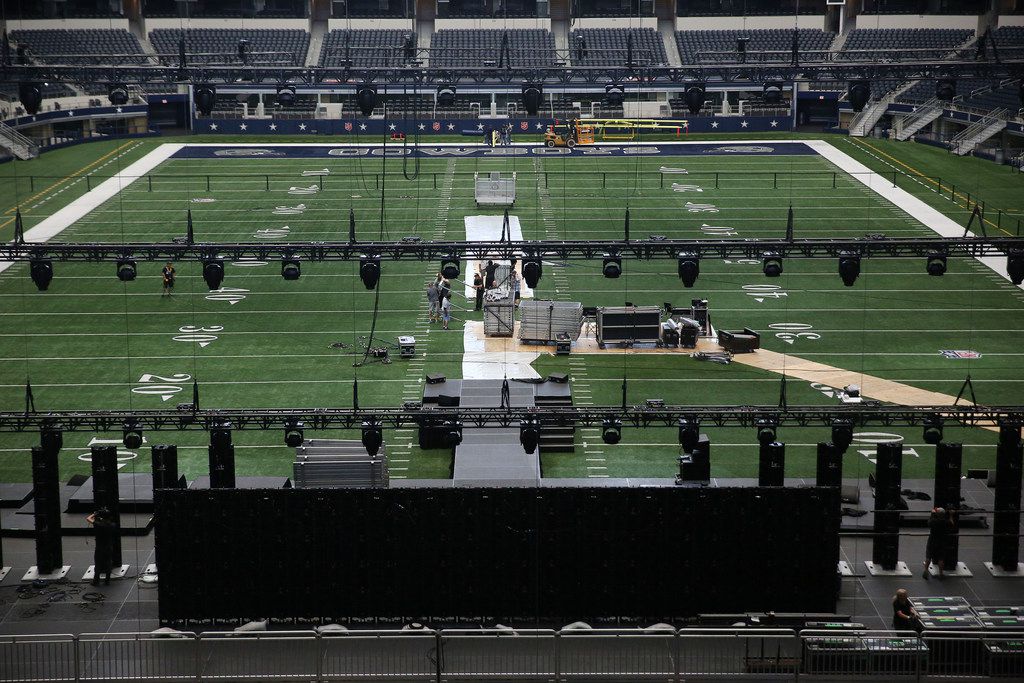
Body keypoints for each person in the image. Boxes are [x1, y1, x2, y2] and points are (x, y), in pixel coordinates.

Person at [86, 506, 117, 586]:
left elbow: (88, 518)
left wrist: (94, 514)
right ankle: (107, 580)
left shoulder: (98, 525)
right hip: (109, 546)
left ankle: (96, 581)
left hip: (100, 547)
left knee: (98, 564)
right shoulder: (112, 525)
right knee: (108, 563)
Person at [924, 506, 954, 579]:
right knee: (941, 558)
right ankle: (941, 574)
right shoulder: (945, 522)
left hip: (932, 541)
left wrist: (932, 514)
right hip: (942, 541)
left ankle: (925, 571)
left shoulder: (933, 521)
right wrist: (951, 515)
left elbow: (929, 522)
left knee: (928, 556)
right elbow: (952, 523)